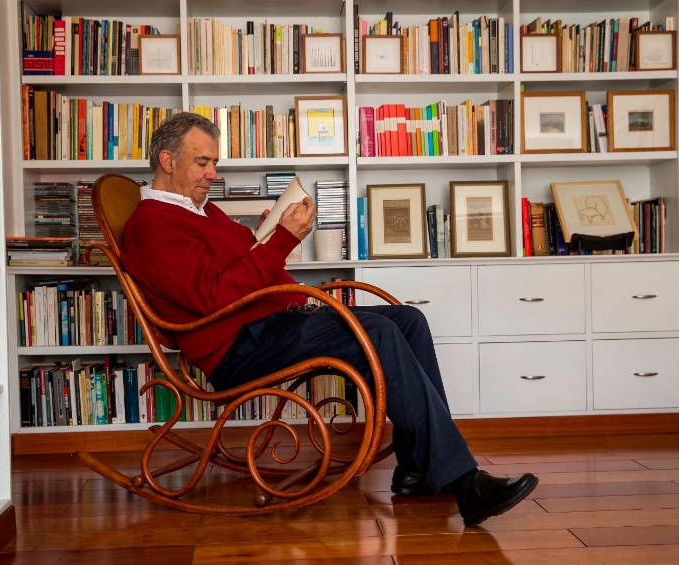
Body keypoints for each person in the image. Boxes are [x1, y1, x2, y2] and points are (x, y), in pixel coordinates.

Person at [120, 112, 538, 527]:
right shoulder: (152, 223)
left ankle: (416, 471)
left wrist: (268, 240)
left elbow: (241, 268)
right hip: (238, 347)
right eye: (202, 162)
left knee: (409, 319)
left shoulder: (202, 211)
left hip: (274, 322)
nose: (213, 173)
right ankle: (465, 483)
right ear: (167, 160)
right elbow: (211, 298)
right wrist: (281, 241)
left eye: (214, 162)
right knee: (377, 331)